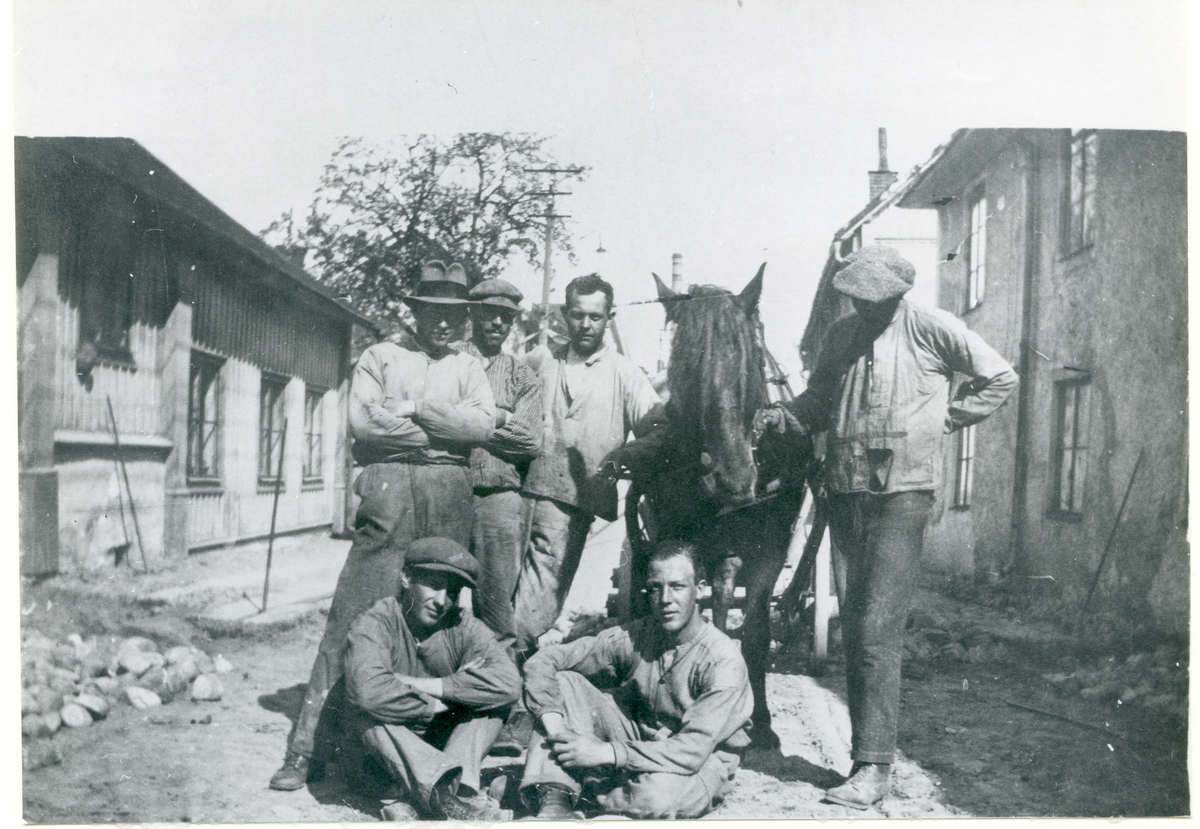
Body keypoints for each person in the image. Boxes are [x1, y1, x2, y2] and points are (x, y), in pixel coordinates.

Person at [762, 245, 1018, 809]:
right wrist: (784, 414)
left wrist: (943, 418)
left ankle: (874, 769)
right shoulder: (839, 337)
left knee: (877, 630)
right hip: (846, 491)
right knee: (856, 628)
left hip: (902, 496)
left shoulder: (931, 326)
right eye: (857, 296)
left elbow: (999, 377)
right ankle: (866, 759)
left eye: (874, 297)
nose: (863, 305)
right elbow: (818, 400)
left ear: (897, 293)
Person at [269, 261, 496, 791]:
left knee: (437, 623)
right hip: (389, 490)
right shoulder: (381, 356)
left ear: (464, 317)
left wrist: (415, 412)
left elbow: (482, 426)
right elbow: (364, 423)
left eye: (453, 313)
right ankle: (306, 750)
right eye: (433, 311)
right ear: (415, 311)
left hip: (449, 493)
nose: (443, 322)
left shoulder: (469, 367)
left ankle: (422, 752)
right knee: (351, 616)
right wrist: (442, 432)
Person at [516, 540, 753, 820]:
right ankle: (555, 804)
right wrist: (556, 728)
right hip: (638, 739)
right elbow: (544, 660)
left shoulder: (723, 660)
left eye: (677, 587)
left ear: (700, 589)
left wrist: (606, 752)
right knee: (566, 681)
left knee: (656, 796)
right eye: (655, 588)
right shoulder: (638, 635)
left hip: (699, 761)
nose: (665, 599)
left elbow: (692, 750)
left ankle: (579, 786)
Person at [513, 273, 663, 657]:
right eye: (578, 315)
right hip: (518, 490)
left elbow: (659, 429)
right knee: (503, 584)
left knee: (543, 590)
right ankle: (501, 660)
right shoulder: (541, 361)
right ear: (565, 314)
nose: (585, 324)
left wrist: (622, 458)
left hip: (574, 500)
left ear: (609, 318)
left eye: (595, 317)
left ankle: (512, 661)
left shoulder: (625, 374)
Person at [340, 537, 520, 821]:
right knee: (366, 712)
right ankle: (444, 798)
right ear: (406, 577)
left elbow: (509, 684)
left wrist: (426, 686)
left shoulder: (462, 624)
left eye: (452, 592)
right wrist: (446, 698)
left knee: (493, 705)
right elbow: (368, 692)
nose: (441, 601)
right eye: (434, 585)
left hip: (440, 747)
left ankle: (441, 795)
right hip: (382, 762)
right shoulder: (375, 622)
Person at [462, 278, 543, 651]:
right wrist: (499, 418)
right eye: (490, 313)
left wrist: (467, 421)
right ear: (473, 313)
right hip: (449, 489)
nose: (498, 323)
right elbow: (432, 417)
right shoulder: (449, 361)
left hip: (499, 499)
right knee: (435, 593)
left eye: (506, 317)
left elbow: (529, 438)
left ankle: (498, 681)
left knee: (495, 608)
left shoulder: (521, 375)